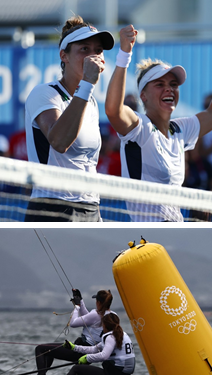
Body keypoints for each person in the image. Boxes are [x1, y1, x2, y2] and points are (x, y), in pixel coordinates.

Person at [104, 24, 212, 221]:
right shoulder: (139, 126)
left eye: (173, 85)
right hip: (147, 234)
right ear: (144, 96)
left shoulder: (180, 129)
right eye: (159, 84)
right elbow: (113, 110)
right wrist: (124, 53)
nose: (169, 89)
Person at [23, 16, 114, 221]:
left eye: (98, 50)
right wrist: (88, 84)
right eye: (84, 49)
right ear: (64, 56)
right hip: (52, 208)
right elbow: (59, 141)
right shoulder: (44, 93)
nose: (93, 56)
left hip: (91, 208)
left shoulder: (90, 102)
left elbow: (87, 165)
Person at [22, 289, 118, 375]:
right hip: (88, 350)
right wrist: (80, 301)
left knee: (40, 349)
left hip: (81, 350)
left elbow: (73, 323)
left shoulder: (96, 314)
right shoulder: (112, 315)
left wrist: (77, 307)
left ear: (98, 302)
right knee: (49, 350)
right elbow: (87, 319)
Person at [43, 313, 135, 375]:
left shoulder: (111, 338)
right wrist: (73, 347)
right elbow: (94, 349)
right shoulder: (121, 335)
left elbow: (104, 356)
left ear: (105, 325)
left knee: (76, 369)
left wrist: (87, 358)